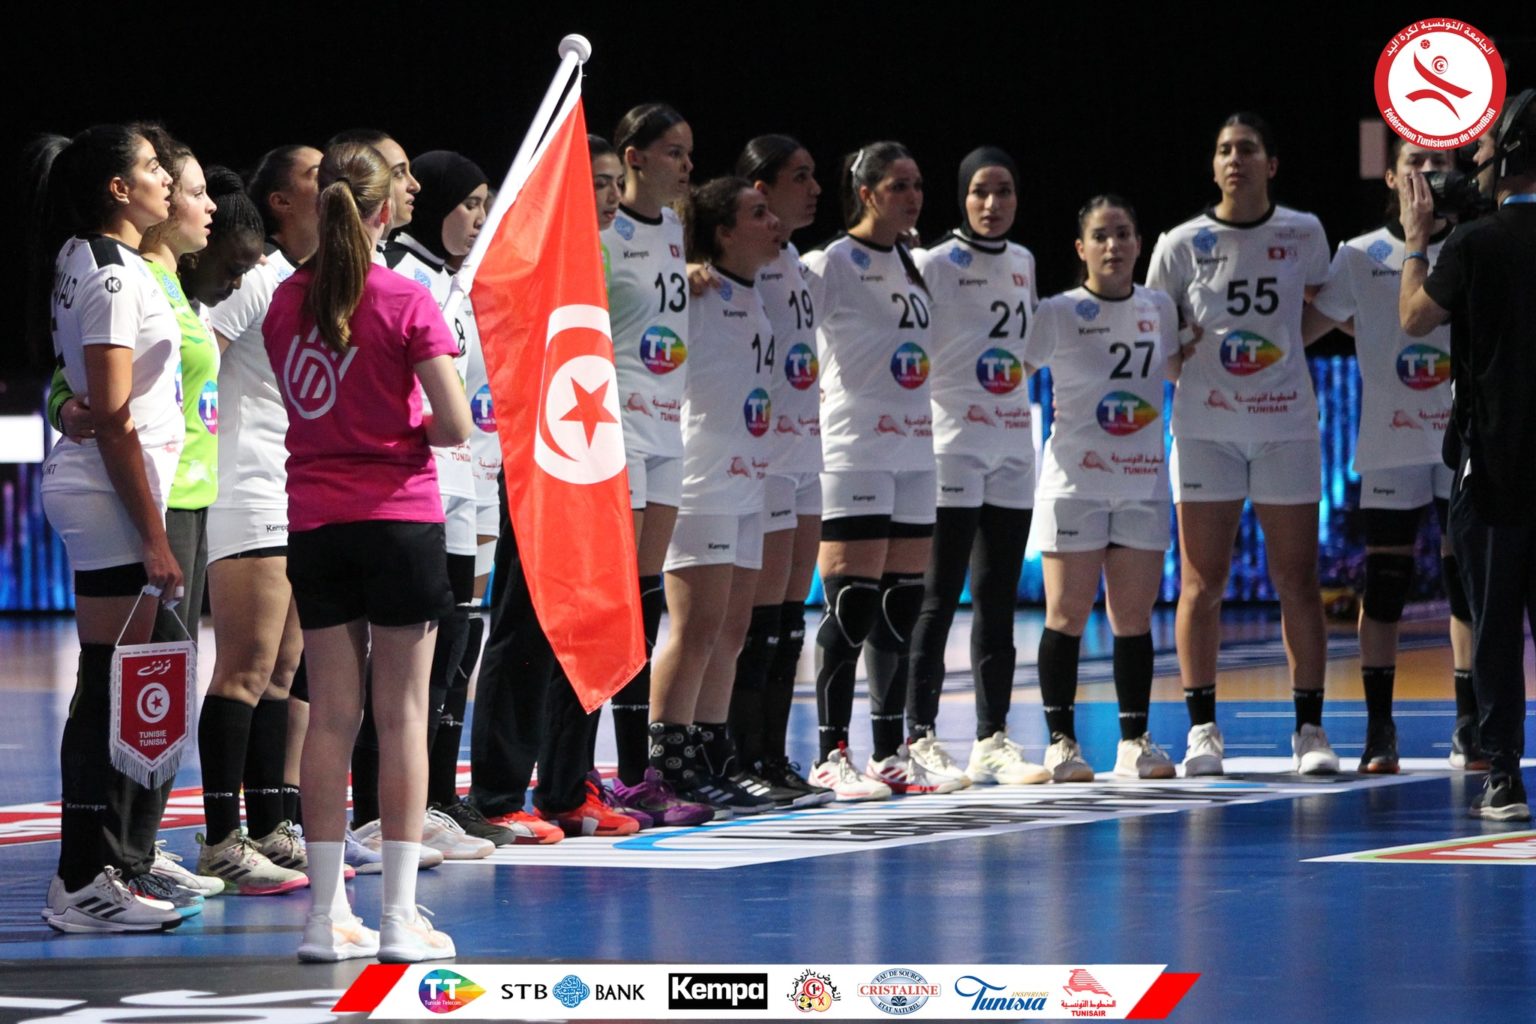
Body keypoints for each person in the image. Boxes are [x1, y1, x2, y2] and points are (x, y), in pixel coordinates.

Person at [265, 141, 470, 962]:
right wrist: (399, 432)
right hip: (400, 522)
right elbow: (454, 425)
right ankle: (396, 920)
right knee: (403, 717)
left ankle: (324, 919)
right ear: (385, 211)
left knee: (330, 720)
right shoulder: (405, 301)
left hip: (315, 525)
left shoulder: (284, 302)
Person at [26, 124, 185, 932]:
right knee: (105, 687)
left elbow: (87, 395)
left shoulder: (81, 258)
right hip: (111, 498)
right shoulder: (114, 276)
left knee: (117, 681)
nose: (165, 178)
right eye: (154, 169)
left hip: (105, 490)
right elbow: (115, 417)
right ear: (119, 190)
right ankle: (81, 880)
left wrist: (71, 404)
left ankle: (112, 865)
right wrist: (153, 537)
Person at [1146, 112, 1337, 777]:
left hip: (1284, 424)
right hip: (1205, 429)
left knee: (1298, 579)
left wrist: (1282, 349)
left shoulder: (1304, 231)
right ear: (1214, 165)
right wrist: (1181, 365)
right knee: (1202, 580)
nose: (1236, 159)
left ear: (1271, 164)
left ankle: (1309, 730)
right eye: (1225, 149)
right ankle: (1203, 731)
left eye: (1248, 149)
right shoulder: (1180, 242)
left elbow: (1327, 308)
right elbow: (1152, 331)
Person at [1305, 140, 1474, 774]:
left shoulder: (1471, 242)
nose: (1429, 174)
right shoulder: (1357, 253)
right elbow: (1307, 328)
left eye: (1441, 164)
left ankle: (1469, 723)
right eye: (1415, 163)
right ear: (1391, 173)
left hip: (1458, 442)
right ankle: (1379, 729)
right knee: (1385, 587)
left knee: (1465, 586)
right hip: (1389, 442)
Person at [1399, 88, 1536, 821]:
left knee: (1493, 623)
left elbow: (1415, 315)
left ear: (1510, 154)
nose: (1472, 167)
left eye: (1481, 154)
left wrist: (1417, 237)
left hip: (1495, 466)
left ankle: (1504, 775)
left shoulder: (1476, 242)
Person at [199, 144, 329, 890]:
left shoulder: (315, 282)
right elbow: (199, 361)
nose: (331, 183)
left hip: (296, 489)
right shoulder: (260, 280)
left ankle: (273, 826)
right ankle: (222, 838)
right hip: (246, 487)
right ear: (280, 201)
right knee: (245, 670)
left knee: (283, 669)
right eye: (315, 175)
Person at [1022, 195, 1183, 781]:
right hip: (1074, 482)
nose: (1113, 245)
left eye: (1123, 234)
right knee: (1065, 614)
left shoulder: (1159, 307)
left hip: (1141, 481)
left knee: (1133, 618)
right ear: (1081, 249)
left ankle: (1134, 740)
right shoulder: (1058, 311)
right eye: (1101, 235)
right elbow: (1009, 370)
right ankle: (1061, 742)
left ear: (1139, 243)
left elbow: (1178, 369)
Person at [803, 141, 946, 800]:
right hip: (855, 447)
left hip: (916, 448)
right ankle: (831, 751)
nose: (912, 196)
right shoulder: (832, 262)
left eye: (917, 184)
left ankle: (890, 750)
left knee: (900, 604)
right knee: (853, 604)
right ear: (865, 193)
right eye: (898, 185)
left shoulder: (916, 265)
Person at [379, 150, 506, 854]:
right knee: (425, 648)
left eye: (487, 203)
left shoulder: (459, 283)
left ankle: (442, 797)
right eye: (470, 204)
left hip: (474, 476)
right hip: (422, 481)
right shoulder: (398, 275)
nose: (480, 218)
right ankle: (402, 801)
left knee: (462, 642)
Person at [909, 145, 1049, 787]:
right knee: (938, 599)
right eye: (980, 193)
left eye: (1004, 192)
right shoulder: (932, 262)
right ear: (962, 197)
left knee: (999, 600)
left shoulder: (1023, 261)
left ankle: (992, 737)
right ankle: (921, 736)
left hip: (1013, 444)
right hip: (952, 443)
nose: (993, 205)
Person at [647, 176, 787, 815]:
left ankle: (710, 757)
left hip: (748, 477)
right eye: (758, 213)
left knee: (731, 629)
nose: (774, 220)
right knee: (696, 627)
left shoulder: (755, 293)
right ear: (724, 231)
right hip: (701, 480)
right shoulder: (696, 292)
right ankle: (667, 766)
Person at [598, 104, 714, 826]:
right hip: (617, 433)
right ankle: (594, 770)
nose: (687, 167)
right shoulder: (602, 236)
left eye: (689, 153)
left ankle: (642, 777)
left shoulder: (675, 232)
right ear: (634, 157)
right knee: (620, 604)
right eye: (674, 153)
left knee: (646, 604)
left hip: (671, 432)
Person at [725, 134, 832, 806]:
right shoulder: (736, 263)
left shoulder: (796, 263)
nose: (815, 187)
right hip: (755, 458)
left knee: (791, 617)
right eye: (802, 176)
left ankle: (769, 753)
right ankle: (737, 754)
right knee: (753, 619)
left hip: (804, 453)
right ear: (760, 189)